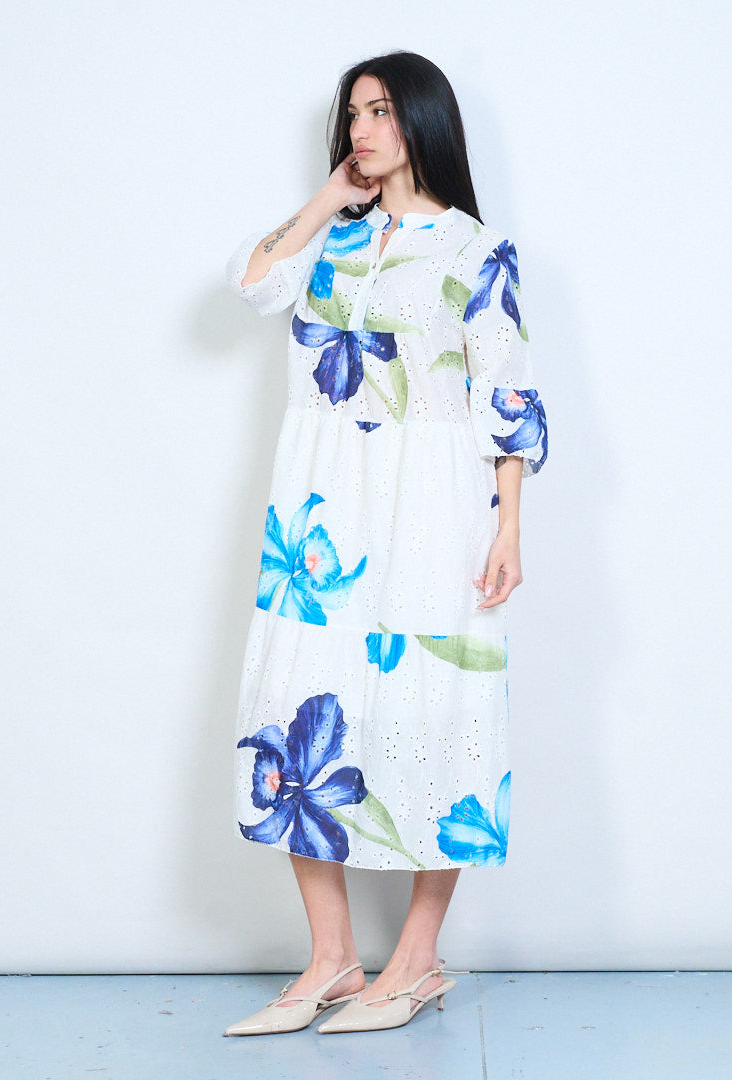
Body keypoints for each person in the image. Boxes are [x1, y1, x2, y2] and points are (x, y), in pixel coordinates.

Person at [222, 51, 548, 1036]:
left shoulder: (475, 250)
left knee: (438, 710)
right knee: (296, 716)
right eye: (353, 113)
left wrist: (509, 524)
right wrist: (329, 197)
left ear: (423, 121)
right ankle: (331, 959)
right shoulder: (331, 238)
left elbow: (506, 393)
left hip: (435, 504)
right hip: (321, 505)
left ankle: (417, 960)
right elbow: (252, 283)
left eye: (381, 111)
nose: (362, 128)